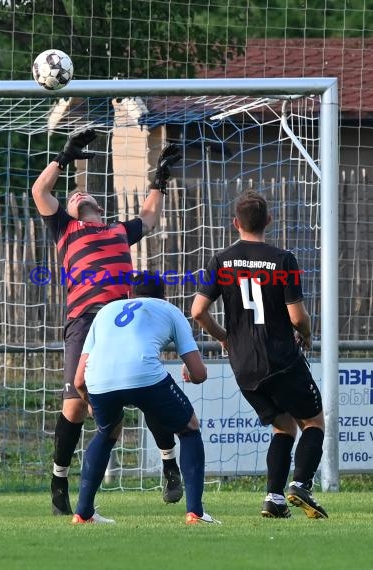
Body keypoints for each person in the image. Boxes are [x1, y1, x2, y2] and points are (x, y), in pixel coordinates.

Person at [32, 128, 184, 515]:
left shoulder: (118, 230)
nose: (78, 196)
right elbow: (39, 192)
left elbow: (148, 218)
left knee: (147, 387)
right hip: (84, 322)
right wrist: (65, 156)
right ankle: (59, 479)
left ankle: (169, 464)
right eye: (72, 196)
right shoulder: (65, 229)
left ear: (98, 205)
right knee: (74, 408)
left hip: (120, 321)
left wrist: (159, 180)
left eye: (84, 195)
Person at [190, 190, 328, 519]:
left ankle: (274, 499)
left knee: (283, 427)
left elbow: (197, 311)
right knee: (314, 421)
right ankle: (302, 486)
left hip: (244, 365)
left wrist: (225, 338)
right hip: (280, 356)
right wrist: (306, 335)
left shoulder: (220, 260)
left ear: (235, 223)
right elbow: (297, 317)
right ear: (269, 220)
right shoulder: (283, 260)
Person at [72, 272, 220, 525]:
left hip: (99, 379)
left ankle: (83, 513)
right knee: (189, 427)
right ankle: (195, 512)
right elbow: (199, 374)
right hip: (143, 374)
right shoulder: (168, 309)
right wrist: (191, 373)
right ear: (164, 295)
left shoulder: (106, 312)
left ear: (130, 294)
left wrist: (88, 402)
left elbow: (78, 380)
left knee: (106, 433)